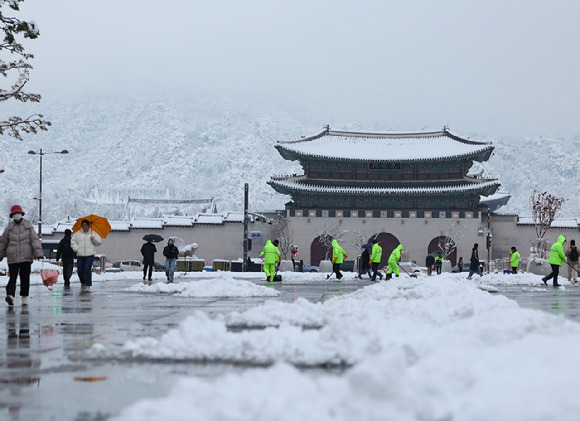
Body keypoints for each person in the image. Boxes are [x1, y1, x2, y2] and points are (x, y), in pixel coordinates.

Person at [0, 205, 44, 306]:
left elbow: (35, 240)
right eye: (15, 214)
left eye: (18, 213)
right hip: (13, 257)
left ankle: (24, 297)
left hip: (26, 257)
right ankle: (10, 295)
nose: (16, 215)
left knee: (25, 278)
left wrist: (39, 254)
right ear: (12, 215)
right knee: (12, 278)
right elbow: (2, 242)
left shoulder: (28, 226)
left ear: (21, 214)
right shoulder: (9, 228)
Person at [71, 219, 102, 293]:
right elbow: (73, 241)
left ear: (89, 226)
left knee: (87, 270)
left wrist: (94, 239)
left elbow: (99, 242)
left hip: (89, 255)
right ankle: (83, 283)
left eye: (86, 225)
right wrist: (76, 249)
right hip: (80, 255)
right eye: (83, 226)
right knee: (80, 271)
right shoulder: (77, 234)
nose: (84, 227)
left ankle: (87, 285)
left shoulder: (93, 233)